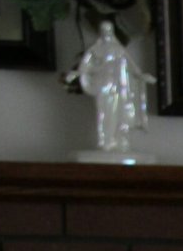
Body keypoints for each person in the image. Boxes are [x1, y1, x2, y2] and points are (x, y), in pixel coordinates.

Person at [64, 21, 156, 154]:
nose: (106, 32)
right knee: (105, 113)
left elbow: (131, 65)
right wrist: (75, 74)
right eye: (104, 30)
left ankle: (120, 140)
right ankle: (105, 140)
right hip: (103, 86)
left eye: (108, 30)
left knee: (121, 112)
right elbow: (84, 66)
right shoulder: (95, 49)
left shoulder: (118, 49)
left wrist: (142, 76)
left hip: (120, 87)